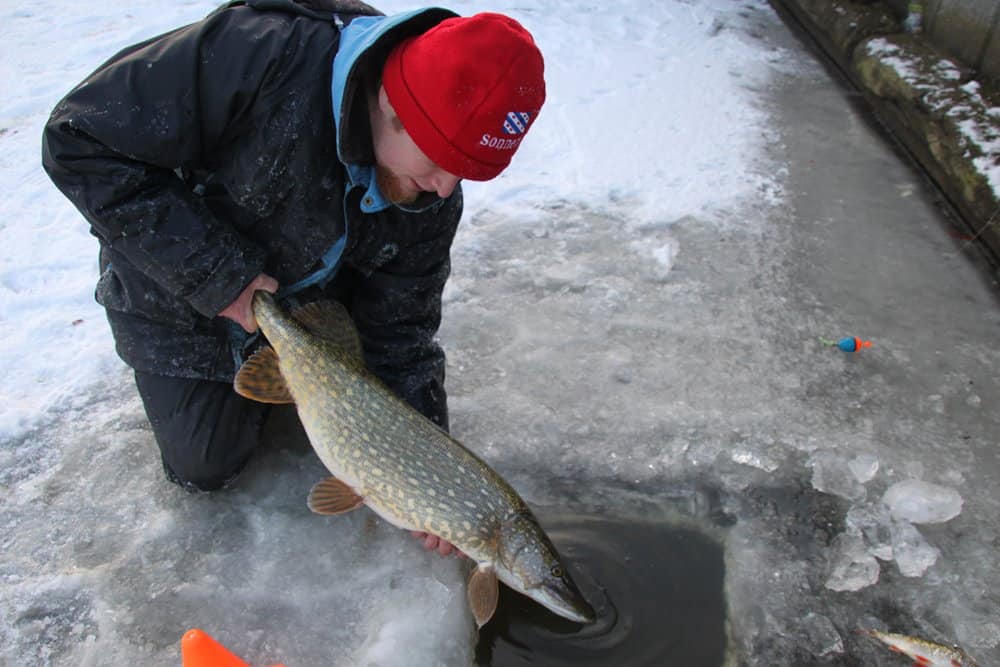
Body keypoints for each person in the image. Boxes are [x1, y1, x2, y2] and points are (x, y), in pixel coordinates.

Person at [41, 0, 545, 556]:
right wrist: (216, 274)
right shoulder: (256, 56)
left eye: (467, 171)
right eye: (440, 161)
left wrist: (428, 468)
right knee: (207, 465)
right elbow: (79, 142)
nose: (447, 189)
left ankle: (303, 380)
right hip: (178, 283)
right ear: (390, 104)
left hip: (310, 306)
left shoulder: (430, 190)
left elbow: (401, 329)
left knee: (342, 406)